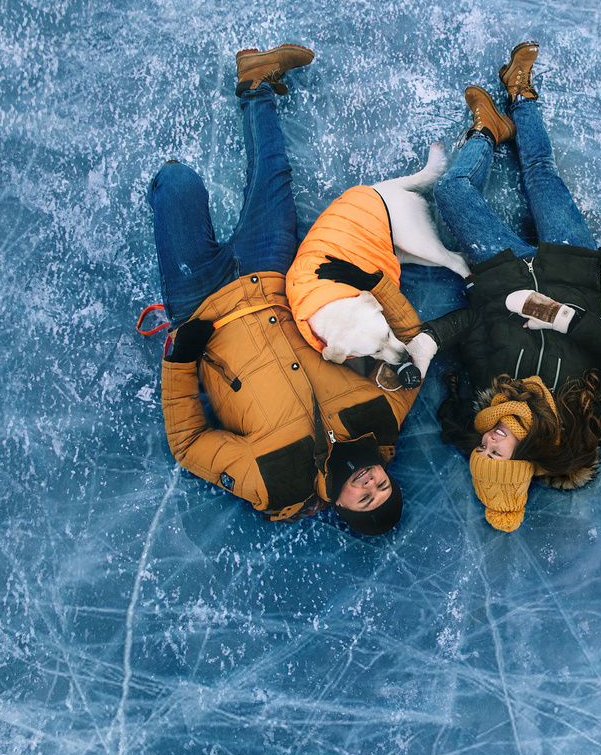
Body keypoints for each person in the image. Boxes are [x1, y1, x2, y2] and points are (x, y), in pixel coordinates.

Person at [147, 44, 415, 536]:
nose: (370, 483)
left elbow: (189, 444)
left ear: (342, 508)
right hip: (272, 276)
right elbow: (410, 348)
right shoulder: (383, 420)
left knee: (176, 181)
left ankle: (177, 180)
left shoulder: (272, 483)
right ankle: (256, 84)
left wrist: (181, 362)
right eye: (384, 486)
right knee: (274, 178)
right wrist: (375, 289)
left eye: (364, 499)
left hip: (202, 306)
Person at [424, 42, 601, 532]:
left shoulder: (483, 400)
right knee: (540, 174)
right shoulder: (586, 422)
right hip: (572, 270)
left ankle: (485, 132)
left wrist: (427, 338)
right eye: (496, 454)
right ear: (524, 461)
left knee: (452, 192)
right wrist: (557, 316)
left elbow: (476, 322)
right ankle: (521, 95)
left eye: (481, 450)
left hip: (501, 271)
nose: (487, 443)